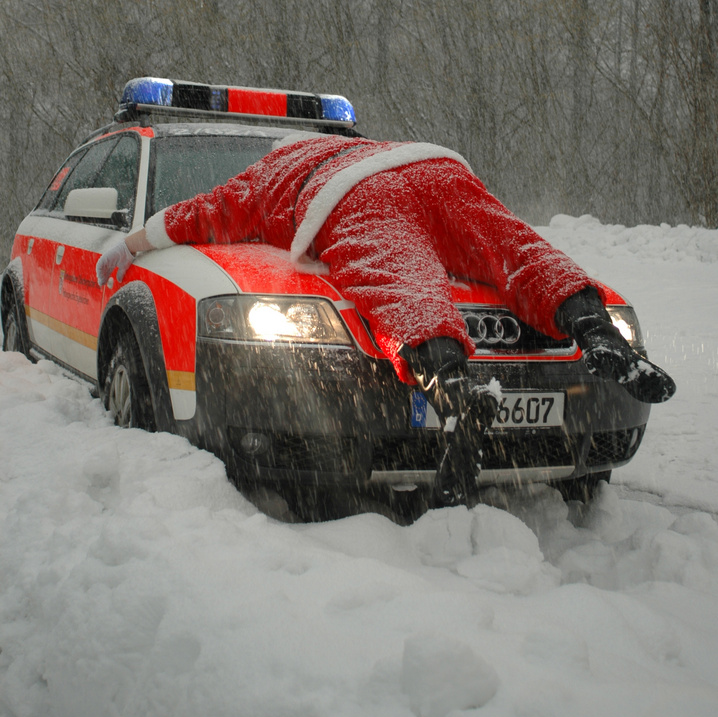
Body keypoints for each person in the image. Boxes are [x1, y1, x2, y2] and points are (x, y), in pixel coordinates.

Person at [97, 133, 676, 504]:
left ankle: (452, 392)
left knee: (403, 288)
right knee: (513, 251)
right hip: (437, 168)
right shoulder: (365, 144)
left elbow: (207, 213)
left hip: (354, 196)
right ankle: (596, 332)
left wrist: (136, 241)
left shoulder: (274, 177)